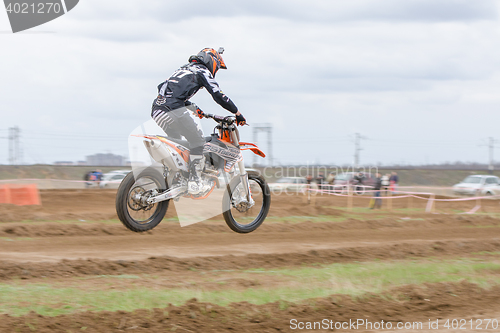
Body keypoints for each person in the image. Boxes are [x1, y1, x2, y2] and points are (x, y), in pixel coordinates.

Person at [151, 48, 246, 195]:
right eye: (217, 67)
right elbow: (218, 95)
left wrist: (195, 108)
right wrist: (237, 113)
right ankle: (194, 181)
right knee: (198, 141)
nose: (216, 70)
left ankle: (174, 178)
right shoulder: (203, 71)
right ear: (212, 61)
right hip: (173, 110)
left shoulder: (183, 68)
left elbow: (169, 91)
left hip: (158, 110)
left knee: (179, 143)